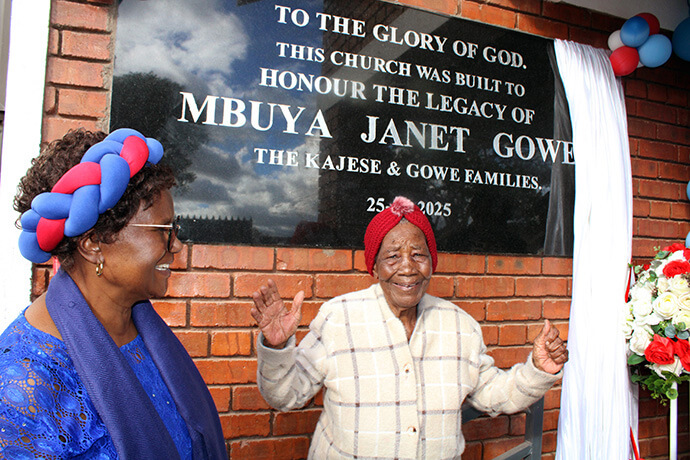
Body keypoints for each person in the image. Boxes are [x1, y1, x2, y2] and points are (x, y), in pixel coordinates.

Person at [252, 196, 568, 459]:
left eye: (418, 255)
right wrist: (277, 348)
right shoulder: (339, 318)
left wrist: (538, 370)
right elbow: (285, 396)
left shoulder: (459, 326)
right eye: (393, 256)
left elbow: (494, 395)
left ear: (432, 263)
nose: (407, 267)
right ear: (374, 266)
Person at [0, 128, 227, 459]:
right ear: (93, 243)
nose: (177, 245)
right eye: (164, 230)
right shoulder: (23, 385)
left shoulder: (141, 330)